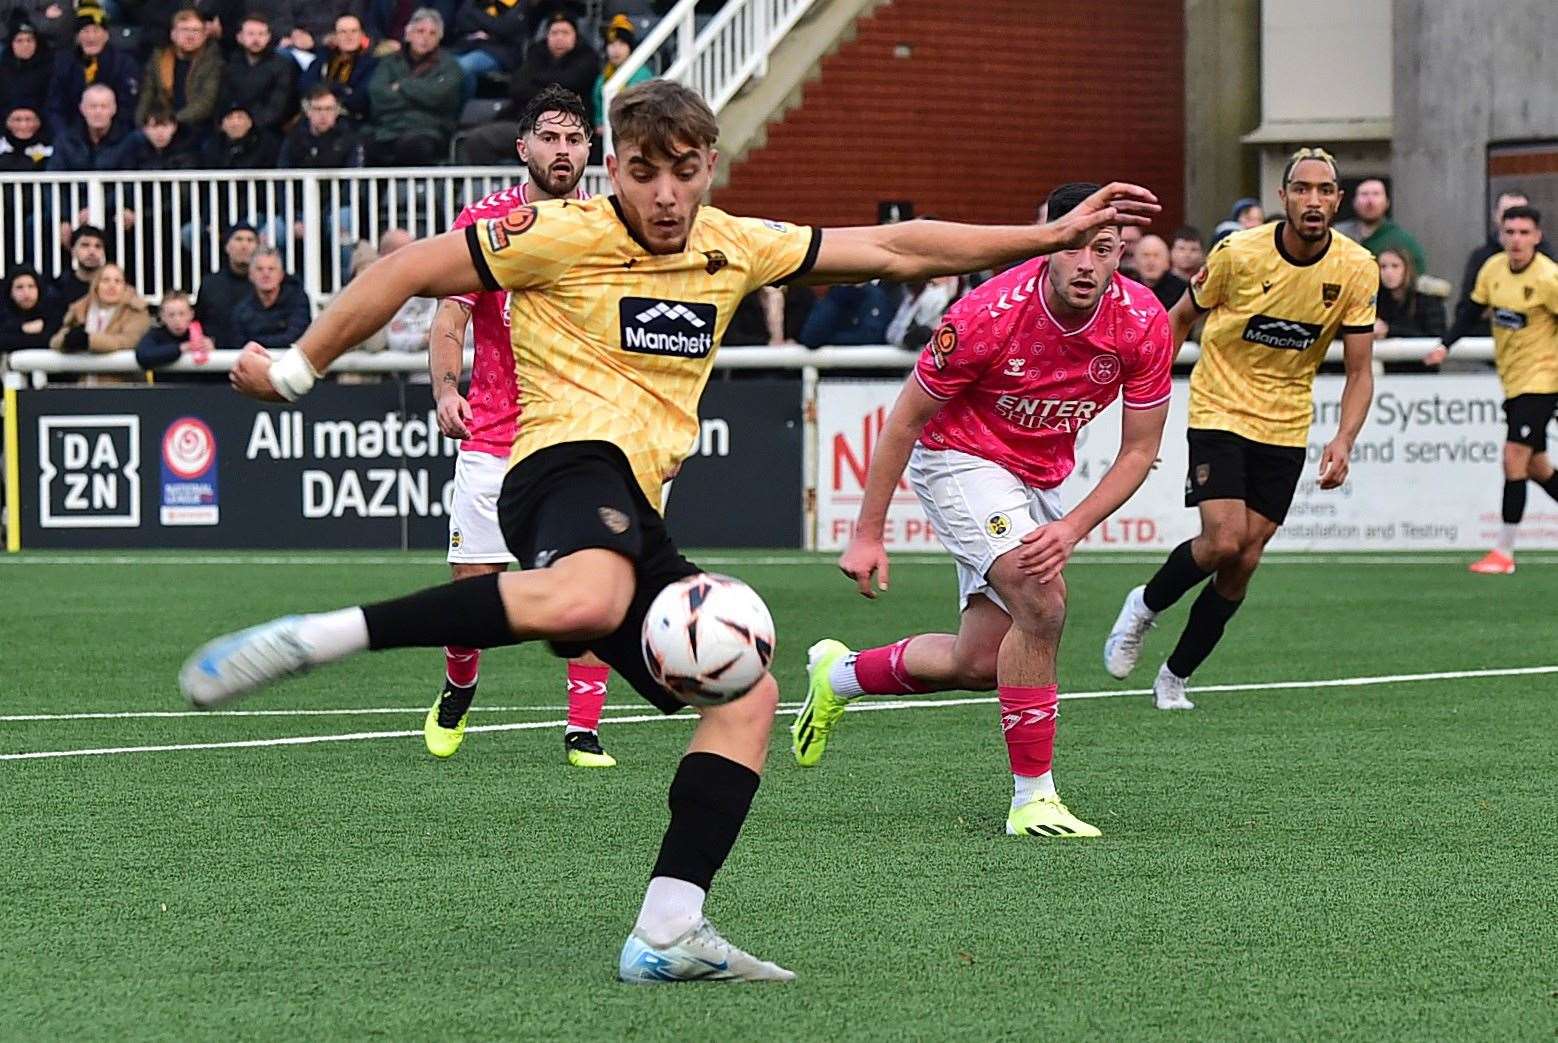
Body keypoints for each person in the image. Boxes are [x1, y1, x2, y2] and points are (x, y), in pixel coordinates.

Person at [185, 79, 1158, 983]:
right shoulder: (552, 232)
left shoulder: (733, 243)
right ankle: (322, 635)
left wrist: (1045, 234)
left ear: (707, 168)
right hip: (558, 463)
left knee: (750, 693)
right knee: (590, 595)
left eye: (684, 171)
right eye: (643, 171)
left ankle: (666, 927)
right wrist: (299, 371)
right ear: (615, 168)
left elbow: (897, 249)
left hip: (632, 501)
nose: (664, 193)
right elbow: (406, 270)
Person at [792, 182, 1174, 840]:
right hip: (958, 459)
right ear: (1045, 237)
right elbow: (907, 417)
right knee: (1042, 598)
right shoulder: (990, 310)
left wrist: (1072, 524)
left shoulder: (1142, 322)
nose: (1087, 263)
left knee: (979, 661)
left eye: (1104, 250)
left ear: (1121, 255)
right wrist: (867, 531)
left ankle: (839, 675)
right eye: (1075, 245)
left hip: (1038, 476)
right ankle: (1034, 798)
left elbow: (1139, 451)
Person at [1103, 147, 1377, 710]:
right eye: (1302, 189)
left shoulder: (1356, 268)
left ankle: (1175, 675)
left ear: (1337, 200)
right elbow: (1179, 319)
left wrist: (1344, 438)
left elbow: (1359, 371)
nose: (1314, 200)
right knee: (1223, 540)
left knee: (1245, 560)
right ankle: (1144, 606)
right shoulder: (1238, 253)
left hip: (1285, 423)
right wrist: (1147, 419)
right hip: (1220, 408)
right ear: (1283, 197)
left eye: (1325, 190)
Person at [423, 85, 621, 767]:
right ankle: (458, 684)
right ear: (524, 146)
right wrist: (448, 389)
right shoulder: (484, 222)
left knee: (590, 579)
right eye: (550, 137)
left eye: (574, 139)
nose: (562, 151)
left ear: (589, 150)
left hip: (579, 433)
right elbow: (449, 317)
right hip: (493, 431)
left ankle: (583, 728)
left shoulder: (607, 228)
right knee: (474, 593)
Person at [1425, 205, 1558, 575]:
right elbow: (1470, 311)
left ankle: (1503, 552)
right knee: (1537, 467)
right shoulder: (1493, 269)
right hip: (1514, 381)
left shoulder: (1549, 278)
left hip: (1544, 380)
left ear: (1537, 237)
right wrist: (1445, 345)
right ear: (1501, 235)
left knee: (1513, 456)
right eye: (1510, 232)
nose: (1516, 239)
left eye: (1523, 232)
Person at [459, 11, 596, 164]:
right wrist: (551, 87)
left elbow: (571, 83)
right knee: (479, 139)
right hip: (524, 123)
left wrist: (538, 82)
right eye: (554, 32)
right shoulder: (535, 54)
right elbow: (517, 88)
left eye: (565, 33)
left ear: (576, 36)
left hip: (565, 129)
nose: (559, 37)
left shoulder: (587, 58)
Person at [363, 7, 461, 165]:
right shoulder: (389, 61)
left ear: (439, 38)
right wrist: (420, 96)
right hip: (387, 130)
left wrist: (402, 86)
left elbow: (437, 97)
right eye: (420, 31)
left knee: (413, 146)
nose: (425, 38)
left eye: (432, 33)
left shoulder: (449, 65)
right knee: (361, 143)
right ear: (408, 34)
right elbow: (378, 95)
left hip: (429, 130)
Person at [1457, 189, 1553, 339]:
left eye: (1522, 214)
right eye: (1508, 214)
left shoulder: (1549, 263)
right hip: (1489, 346)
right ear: (1497, 217)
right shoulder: (1483, 260)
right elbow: (1466, 310)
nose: (1515, 220)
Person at [46, 5, 139, 135]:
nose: (91, 37)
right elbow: (56, 107)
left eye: (96, 31)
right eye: (85, 31)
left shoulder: (123, 64)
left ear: (106, 35)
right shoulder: (64, 63)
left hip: (114, 137)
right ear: (77, 37)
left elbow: (127, 109)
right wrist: (65, 137)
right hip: (72, 135)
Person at [135, 8, 221, 142]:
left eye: (196, 30)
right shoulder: (159, 58)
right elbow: (147, 93)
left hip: (197, 127)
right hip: (161, 122)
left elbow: (205, 103)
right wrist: (142, 122)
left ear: (205, 35)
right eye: (184, 30)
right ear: (173, 34)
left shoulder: (213, 61)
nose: (190, 35)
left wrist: (173, 121)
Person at [219, 13, 297, 138]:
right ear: (239, 37)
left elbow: (278, 106)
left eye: (261, 34)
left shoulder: (282, 65)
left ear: (269, 37)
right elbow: (223, 98)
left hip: (266, 130)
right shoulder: (231, 63)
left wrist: (250, 124)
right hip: (232, 126)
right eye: (251, 34)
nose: (256, 39)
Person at [49, 262, 152, 352]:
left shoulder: (136, 310)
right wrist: (66, 340)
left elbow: (129, 341)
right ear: (96, 286)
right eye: (105, 280)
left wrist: (89, 340)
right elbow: (54, 341)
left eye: (118, 281)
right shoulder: (80, 309)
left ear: (125, 286)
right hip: (84, 373)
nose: (112, 285)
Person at [1337, 177, 1427, 275]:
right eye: (1364, 194)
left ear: (1387, 203)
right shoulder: (1339, 235)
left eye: (1376, 194)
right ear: (1354, 202)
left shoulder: (1402, 240)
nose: (1370, 201)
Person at [297, 13, 376, 122]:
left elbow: (360, 99)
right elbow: (304, 83)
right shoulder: (325, 55)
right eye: (343, 32)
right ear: (334, 36)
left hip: (350, 121)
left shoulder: (371, 62)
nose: (349, 37)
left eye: (354, 31)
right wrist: (341, 90)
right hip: (316, 116)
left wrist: (324, 89)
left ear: (362, 35)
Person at [229, 246, 310, 348]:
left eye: (271, 269)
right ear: (250, 275)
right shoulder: (241, 310)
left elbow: (296, 338)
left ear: (281, 275)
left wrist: (255, 343)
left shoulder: (298, 300)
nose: (266, 274)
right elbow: (238, 345)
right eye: (259, 269)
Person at [194, 221, 259, 349]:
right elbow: (197, 322)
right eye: (238, 239)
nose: (244, 245)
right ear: (227, 246)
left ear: (258, 247)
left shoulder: (268, 284)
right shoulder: (210, 284)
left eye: (250, 240)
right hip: (216, 359)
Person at [449, 0, 528, 101]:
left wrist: (475, 15)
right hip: (469, 44)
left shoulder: (517, 3)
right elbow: (461, 19)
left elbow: (506, 28)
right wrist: (490, 27)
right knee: (442, 63)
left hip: (499, 50)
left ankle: (457, 111)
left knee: (464, 66)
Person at [47, 82, 135, 170]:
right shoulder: (66, 142)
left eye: (104, 107)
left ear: (114, 109)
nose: (98, 112)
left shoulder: (129, 142)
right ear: (82, 109)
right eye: (93, 107)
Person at [591, 13, 649, 140]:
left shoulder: (643, 74)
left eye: (622, 44)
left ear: (630, 48)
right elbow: (598, 102)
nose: (616, 50)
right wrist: (600, 122)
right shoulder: (605, 75)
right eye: (611, 44)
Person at [1374, 247, 1444, 339]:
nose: (1388, 272)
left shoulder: (1427, 300)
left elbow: (1436, 335)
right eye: (1383, 267)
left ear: (1407, 269)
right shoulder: (1376, 301)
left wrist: (1389, 330)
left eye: (1395, 266)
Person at [134, 289, 214, 367]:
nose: (177, 320)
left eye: (182, 314)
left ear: (191, 314)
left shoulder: (202, 333)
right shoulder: (156, 335)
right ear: (162, 316)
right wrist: (181, 348)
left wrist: (212, 347)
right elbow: (143, 355)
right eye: (171, 315)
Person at [0, 263, 63, 350]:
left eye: (31, 286)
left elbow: (52, 339)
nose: (26, 293)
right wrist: (21, 329)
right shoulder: (4, 316)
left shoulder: (52, 313)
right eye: (19, 287)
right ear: (10, 292)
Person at [199, 102, 280, 168]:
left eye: (240, 117)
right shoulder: (213, 147)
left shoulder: (266, 143)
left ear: (250, 122)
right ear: (221, 126)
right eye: (229, 118)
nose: (235, 123)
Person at [0, 22, 53, 118]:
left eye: (30, 40)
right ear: (11, 44)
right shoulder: (3, 70)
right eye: (19, 41)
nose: (25, 45)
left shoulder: (51, 69)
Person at [47, 223, 107, 308]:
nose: (92, 251)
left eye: (98, 246)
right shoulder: (59, 287)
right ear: (73, 251)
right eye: (85, 245)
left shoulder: (113, 285)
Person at [1132, 232, 1187, 309]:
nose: (1150, 261)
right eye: (1145, 255)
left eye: (1156, 255)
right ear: (1135, 261)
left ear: (1167, 262)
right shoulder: (1126, 290)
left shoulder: (1183, 291)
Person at [0, 103, 52, 170]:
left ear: (38, 123)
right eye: (17, 120)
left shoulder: (49, 151)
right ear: (8, 124)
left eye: (28, 119)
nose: (23, 125)